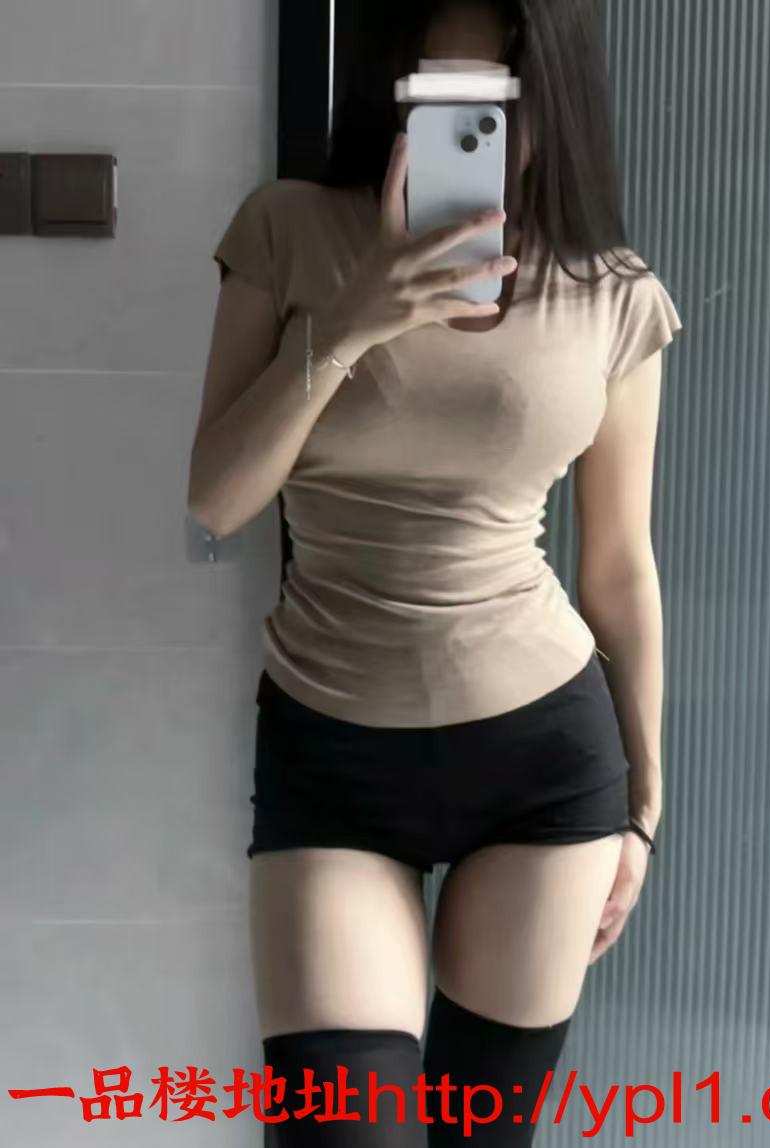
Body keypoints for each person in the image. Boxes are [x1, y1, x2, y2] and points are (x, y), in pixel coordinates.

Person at [187, 1, 681, 1144]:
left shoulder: (609, 290)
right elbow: (215, 497)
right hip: (331, 754)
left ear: (548, 96)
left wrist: (645, 807)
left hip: (543, 760)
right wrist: (350, 321)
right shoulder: (286, 228)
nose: (468, 120)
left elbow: (617, 568)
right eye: (436, 89)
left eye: (495, 94)